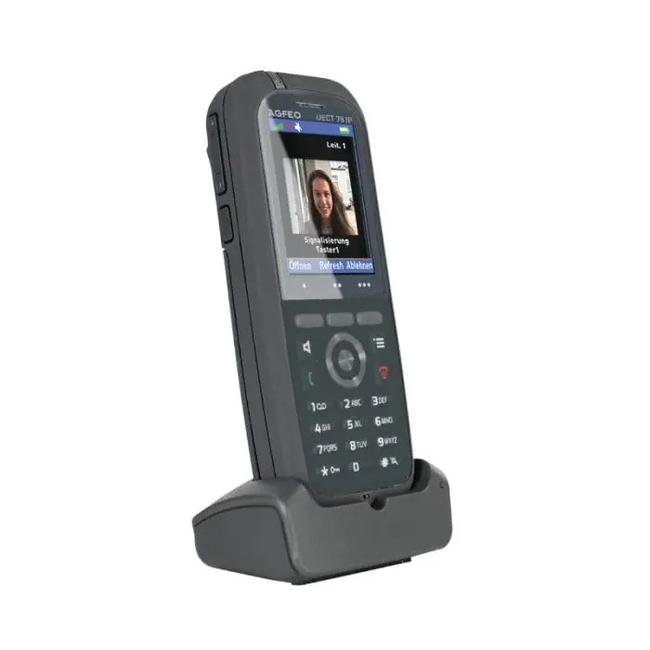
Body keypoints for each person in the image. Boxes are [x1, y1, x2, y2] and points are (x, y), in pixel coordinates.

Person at [307, 169, 356, 236]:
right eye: (317, 194)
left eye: (326, 194)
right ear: (312, 197)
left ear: (333, 196)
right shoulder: (306, 230)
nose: (323, 201)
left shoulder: (346, 229)